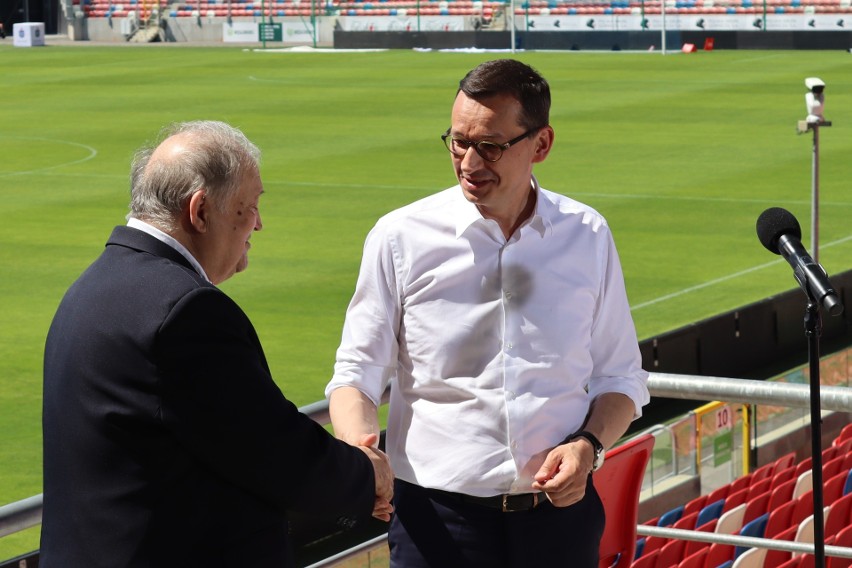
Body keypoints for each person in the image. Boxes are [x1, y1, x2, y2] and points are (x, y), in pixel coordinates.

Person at [326, 59, 650, 567]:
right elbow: (355, 373)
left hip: (560, 523)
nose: (469, 163)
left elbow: (622, 377)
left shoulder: (588, 234)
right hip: (436, 524)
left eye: (491, 146)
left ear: (540, 145)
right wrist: (360, 450)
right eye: (458, 142)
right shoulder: (399, 237)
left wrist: (589, 446)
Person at [41, 120, 393, 567]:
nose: (259, 224)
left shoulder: (91, 288)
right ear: (201, 210)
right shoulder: (185, 311)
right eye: (249, 206)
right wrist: (369, 474)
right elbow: (274, 450)